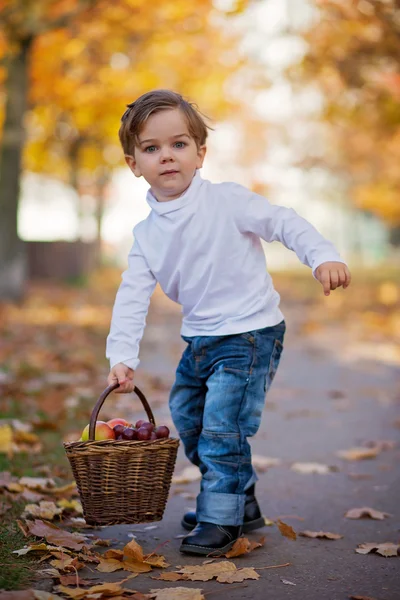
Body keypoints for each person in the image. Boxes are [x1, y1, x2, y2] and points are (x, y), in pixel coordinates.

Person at [106, 89, 351, 555]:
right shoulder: (146, 234)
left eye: (178, 144)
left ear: (200, 153)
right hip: (200, 338)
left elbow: (283, 222)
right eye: (151, 148)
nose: (167, 156)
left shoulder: (227, 201)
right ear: (133, 163)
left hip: (250, 333)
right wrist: (122, 355)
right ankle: (240, 498)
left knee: (223, 426)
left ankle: (222, 516)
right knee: (190, 419)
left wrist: (322, 257)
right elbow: (132, 295)